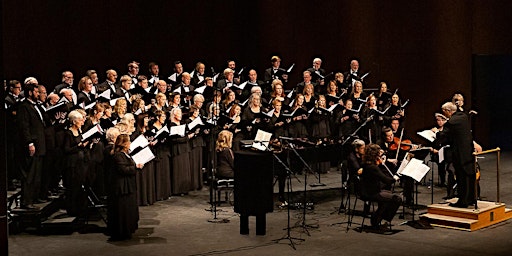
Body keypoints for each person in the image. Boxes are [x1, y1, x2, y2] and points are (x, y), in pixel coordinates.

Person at [436, 102, 475, 208]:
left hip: (459, 153)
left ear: (448, 111)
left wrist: (437, 133)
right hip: (468, 151)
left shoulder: (451, 122)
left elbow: (444, 137)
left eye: (444, 112)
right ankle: (471, 199)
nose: (444, 115)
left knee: (461, 177)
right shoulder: (463, 116)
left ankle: (463, 201)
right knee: (469, 175)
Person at [107, 134, 143, 241]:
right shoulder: (118, 155)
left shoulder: (125, 154)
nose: (130, 143)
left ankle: (128, 229)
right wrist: (135, 167)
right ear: (125, 144)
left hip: (128, 185)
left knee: (128, 208)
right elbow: (123, 170)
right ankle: (122, 231)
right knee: (123, 209)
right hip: (122, 186)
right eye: (129, 141)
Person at [16, 82, 46, 209]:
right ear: (30, 93)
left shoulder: (36, 106)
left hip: (40, 144)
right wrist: (29, 143)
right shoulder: (24, 107)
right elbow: (24, 127)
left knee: (37, 174)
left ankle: (33, 198)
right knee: (29, 174)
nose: (38, 94)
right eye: (36, 92)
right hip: (32, 145)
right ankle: (26, 201)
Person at [360, 144, 402, 229]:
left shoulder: (366, 164)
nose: (380, 156)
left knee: (388, 196)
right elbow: (387, 181)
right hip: (372, 193)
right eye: (379, 154)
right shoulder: (373, 167)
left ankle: (376, 219)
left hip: (367, 190)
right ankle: (383, 218)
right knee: (397, 199)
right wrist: (396, 177)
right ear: (374, 155)